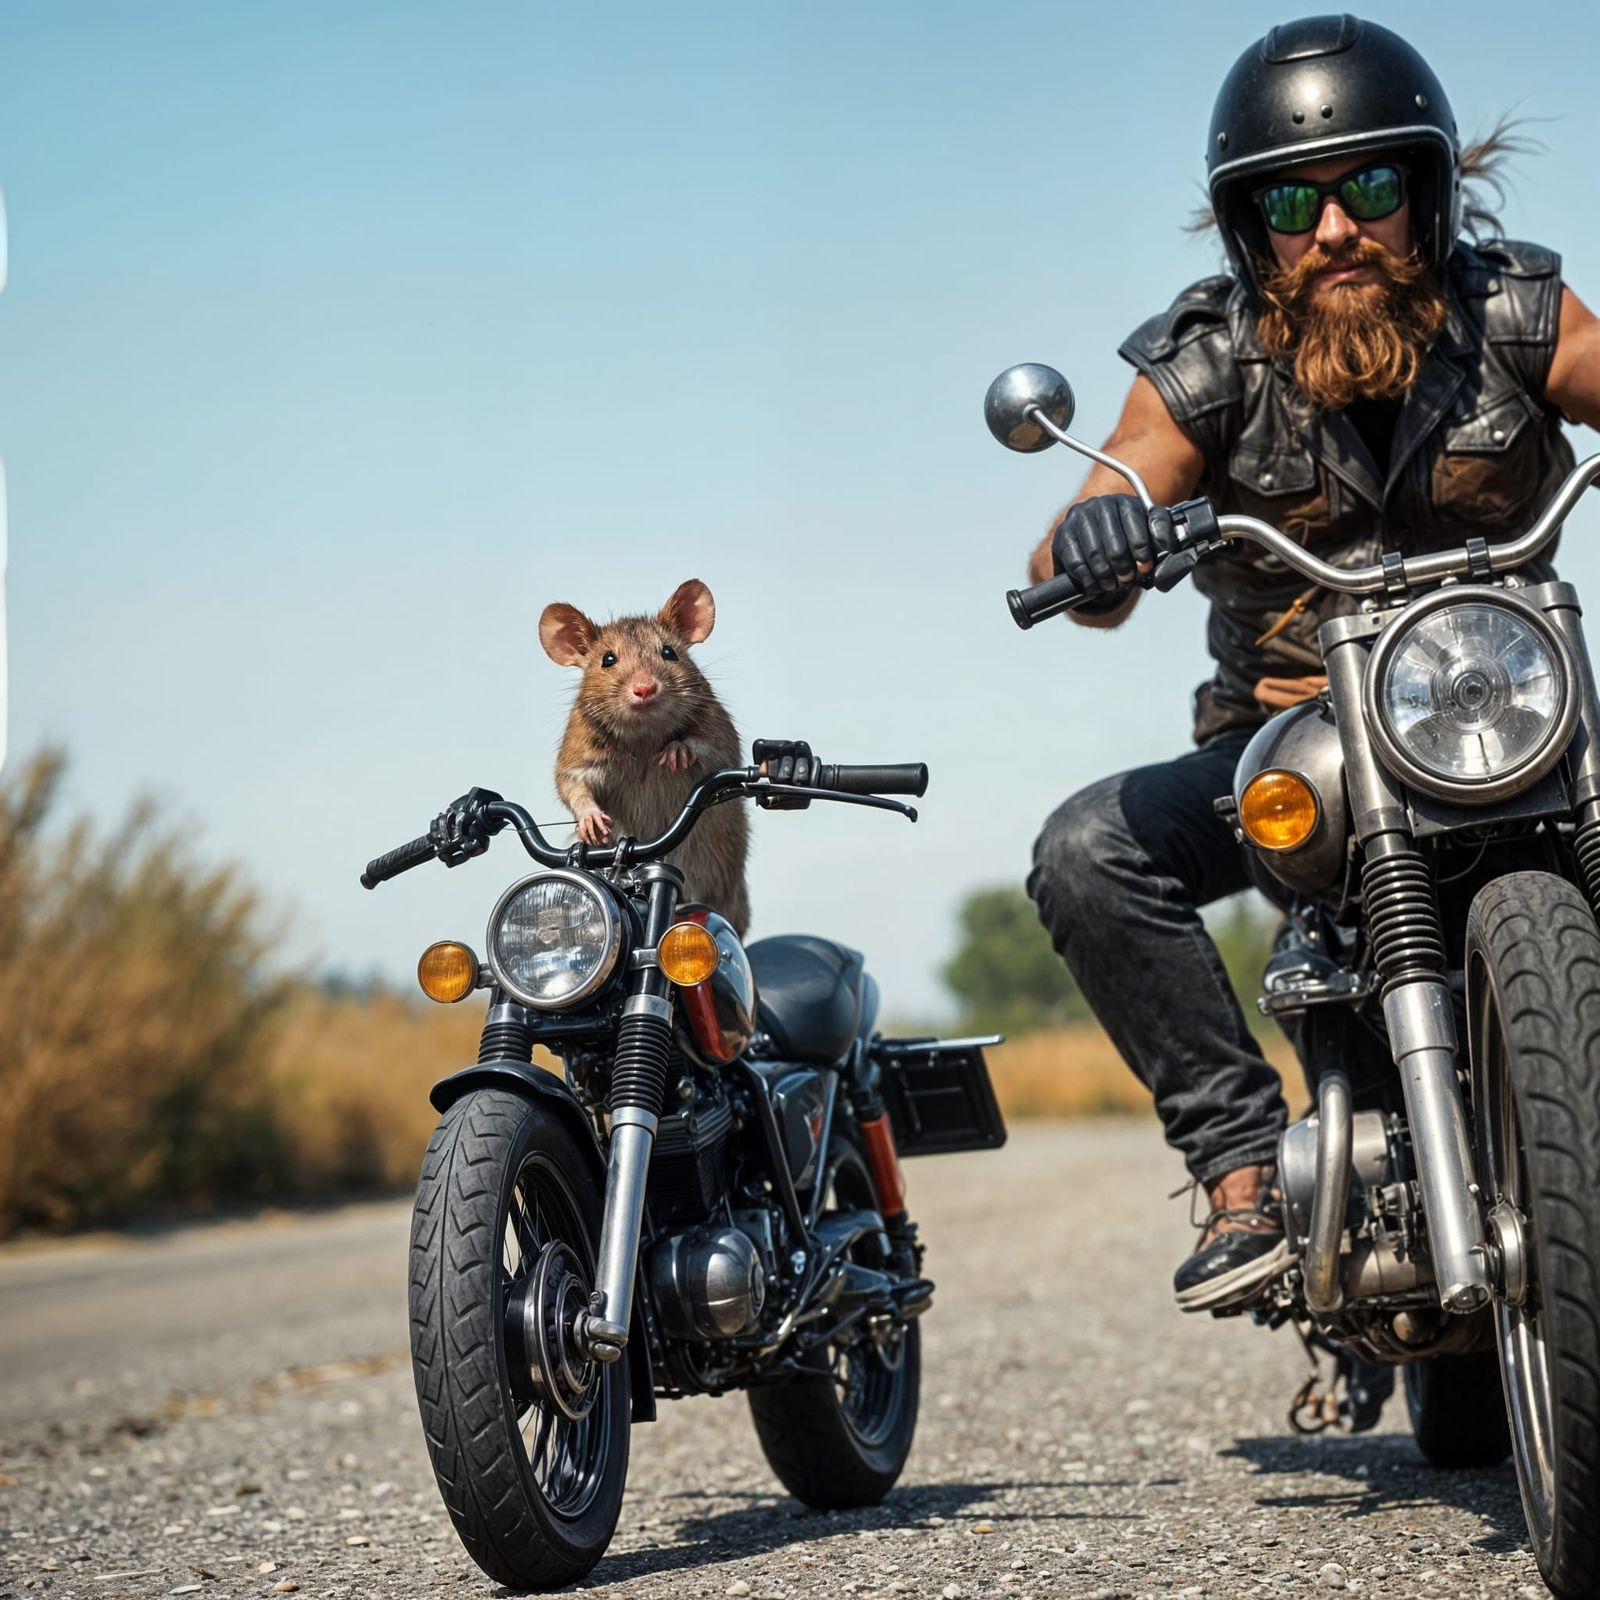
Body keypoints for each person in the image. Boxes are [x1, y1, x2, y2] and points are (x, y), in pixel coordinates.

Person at [1024, 15, 1600, 1313]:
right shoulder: (1211, 361)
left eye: (1372, 187)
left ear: (1429, 195)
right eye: (1294, 199)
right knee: (1085, 852)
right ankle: (1240, 1169)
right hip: (1292, 739)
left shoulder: (1512, 311)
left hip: (1512, 717)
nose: (1335, 227)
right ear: (1253, 227)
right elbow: (1105, 503)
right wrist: (1102, 531)